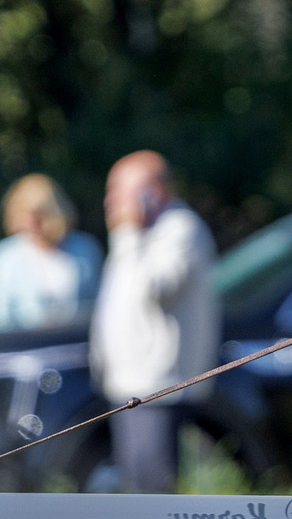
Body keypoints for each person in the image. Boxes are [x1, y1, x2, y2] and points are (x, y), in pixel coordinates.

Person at [88, 150, 218, 494]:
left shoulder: (180, 229)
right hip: (128, 384)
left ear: (153, 192)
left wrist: (129, 234)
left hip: (158, 388)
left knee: (153, 493)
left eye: (119, 190)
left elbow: (153, 289)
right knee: (136, 488)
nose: (110, 200)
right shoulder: (139, 235)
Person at [0, 173, 102, 331]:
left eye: (39, 215)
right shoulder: (3, 257)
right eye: (24, 214)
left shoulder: (85, 249)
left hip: (74, 345)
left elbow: (97, 306)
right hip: (24, 349)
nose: (32, 222)